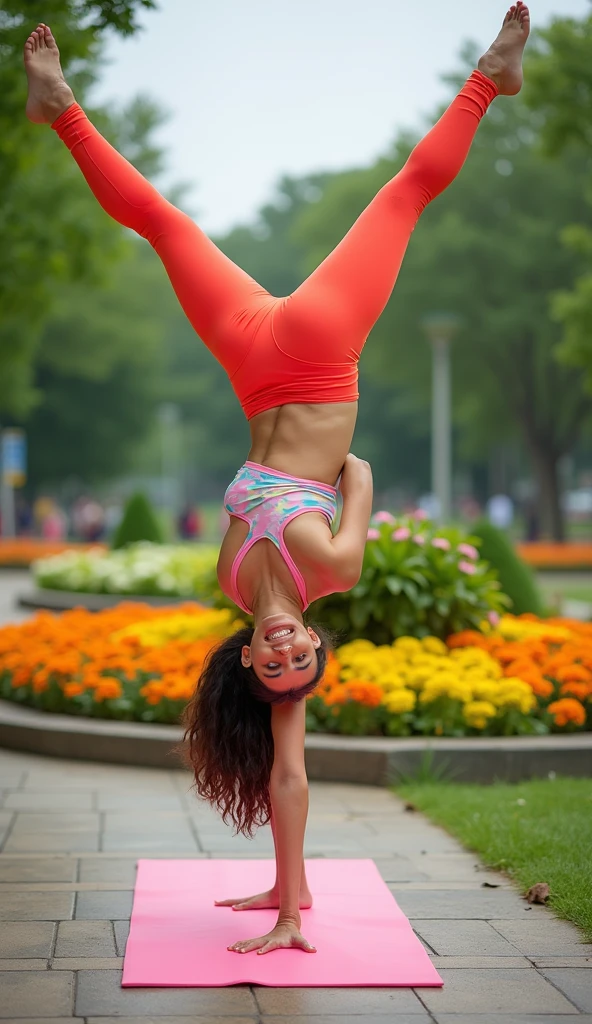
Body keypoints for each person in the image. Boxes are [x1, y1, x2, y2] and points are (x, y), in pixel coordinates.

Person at [23, 5, 530, 957]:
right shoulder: (329, 571)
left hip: (253, 359)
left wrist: (277, 889)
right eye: (304, 657)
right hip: (324, 353)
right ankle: (485, 81)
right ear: (311, 646)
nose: (290, 650)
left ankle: (61, 109)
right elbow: (364, 474)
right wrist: (297, 919)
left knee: (163, 223)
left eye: (275, 663)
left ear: (251, 665)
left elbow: (276, 770)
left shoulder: (230, 580)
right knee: (403, 198)